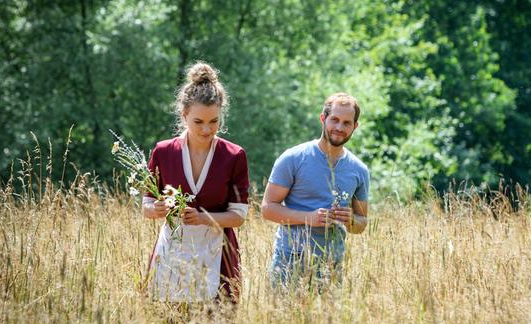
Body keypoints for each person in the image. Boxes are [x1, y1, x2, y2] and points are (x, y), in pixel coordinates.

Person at [142, 61, 249, 303]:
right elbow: (146, 207)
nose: (207, 129)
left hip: (219, 256)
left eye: (214, 121)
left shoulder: (234, 155)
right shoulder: (163, 152)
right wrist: (156, 209)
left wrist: (203, 218)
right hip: (171, 253)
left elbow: (239, 216)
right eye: (198, 122)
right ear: (184, 115)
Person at [261, 93, 369, 287]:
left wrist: (351, 221)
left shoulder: (359, 170)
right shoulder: (293, 158)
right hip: (289, 261)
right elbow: (268, 208)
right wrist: (308, 218)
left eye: (347, 123)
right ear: (323, 118)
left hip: (331, 265)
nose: (339, 128)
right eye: (334, 120)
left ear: (355, 126)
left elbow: (362, 222)